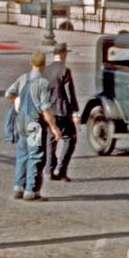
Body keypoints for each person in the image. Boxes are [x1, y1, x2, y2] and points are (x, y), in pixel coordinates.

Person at [4, 51, 63, 201]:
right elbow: (45, 109)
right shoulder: (43, 83)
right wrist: (54, 128)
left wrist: (16, 100)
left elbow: (8, 94)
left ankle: (18, 187)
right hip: (34, 123)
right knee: (35, 156)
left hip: (21, 122)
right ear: (43, 65)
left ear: (31, 63)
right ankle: (31, 190)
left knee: (22, 154)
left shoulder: (23, 78)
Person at [43, 42, 79, 182]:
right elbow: (70, 93)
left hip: (49, 110)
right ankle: (61, 169)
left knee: (51, 140)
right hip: (62, 110)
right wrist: (75, 112)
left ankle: (49, 169)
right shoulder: (65, 70)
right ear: (63, 54)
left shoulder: (46, 70)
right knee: (70, 139)